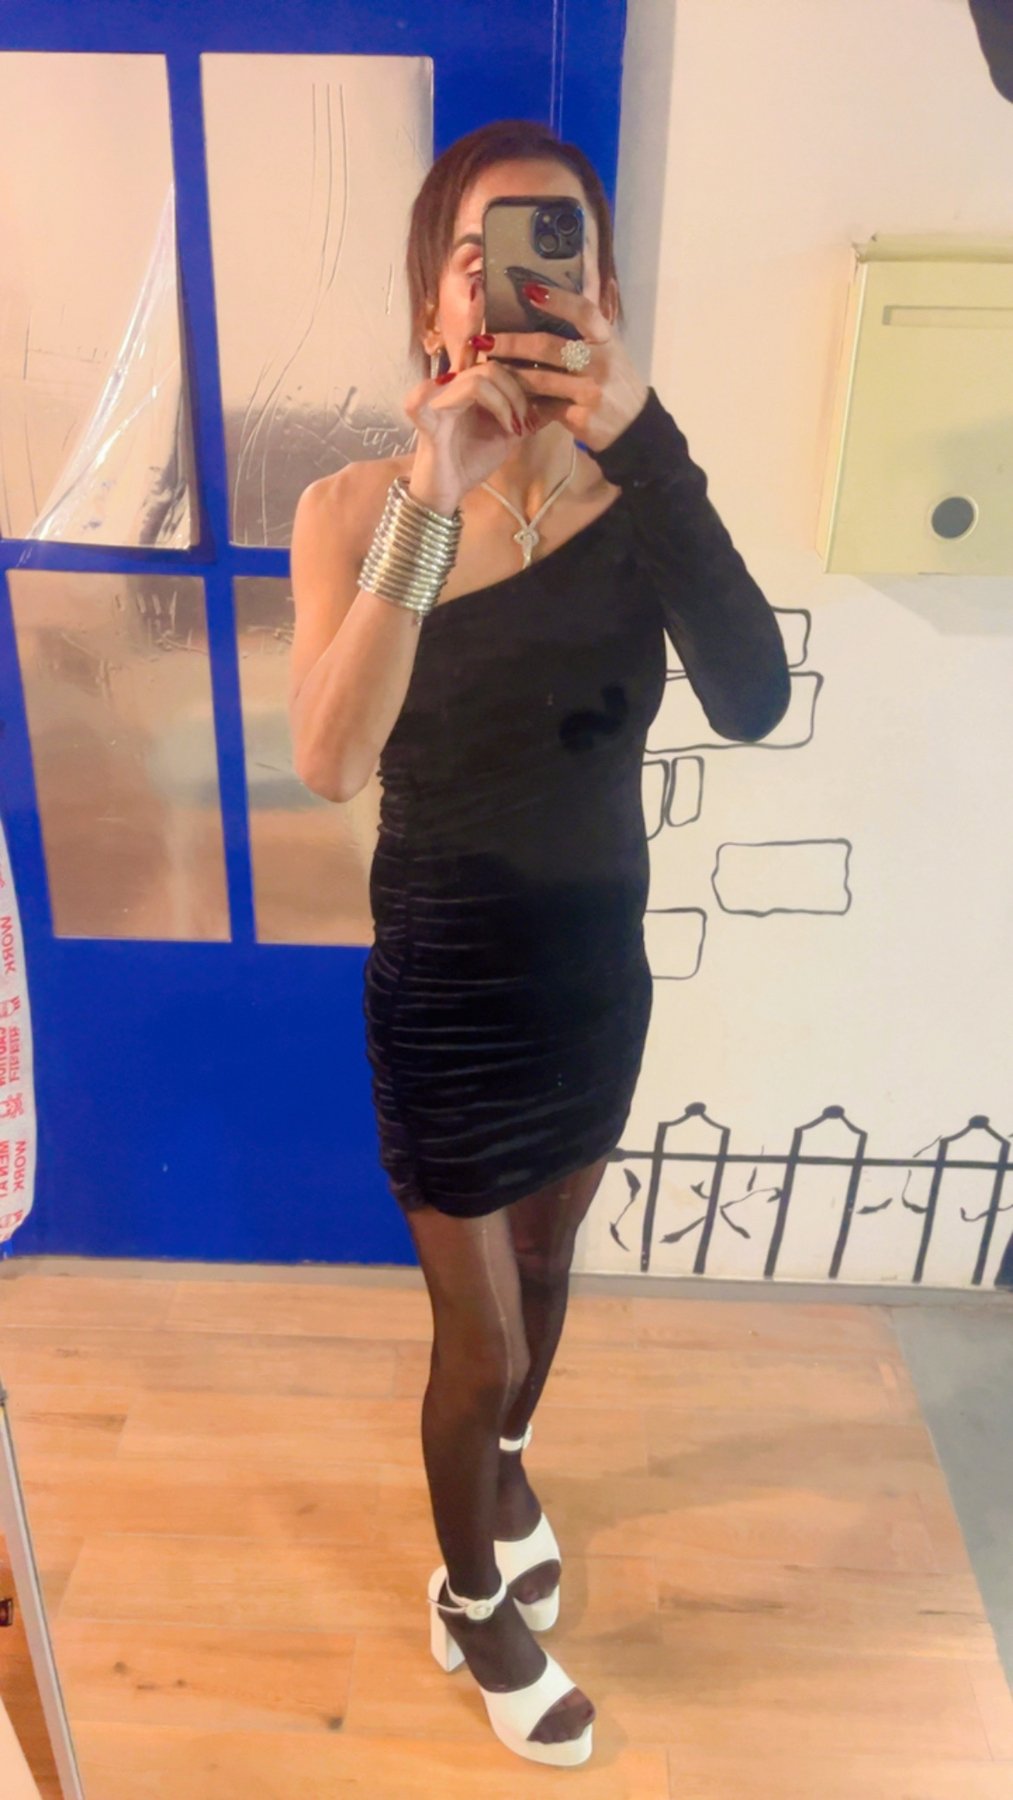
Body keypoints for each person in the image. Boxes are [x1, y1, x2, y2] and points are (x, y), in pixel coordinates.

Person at [289, 118, 791, 1769]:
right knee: (481, 1331)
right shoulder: (352, 507)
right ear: (435, 297)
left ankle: (506, 1470)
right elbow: (329, 757)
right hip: (445, 982)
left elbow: (752, 697)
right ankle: (469, 1599)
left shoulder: (638, 496)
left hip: (592, 975)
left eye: (552, 243)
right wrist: (432, 499)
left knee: (556, 1265)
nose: (509, 278)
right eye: (477, 250)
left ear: (599, 289)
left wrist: (646, 442)